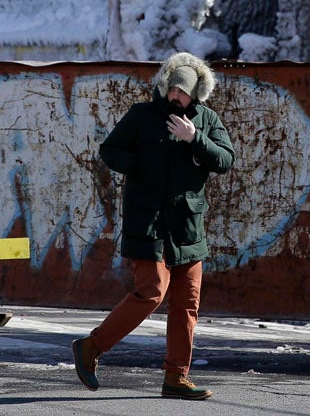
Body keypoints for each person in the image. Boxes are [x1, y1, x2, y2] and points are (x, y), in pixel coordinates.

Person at [72, 52, 235, 400]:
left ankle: (177, 377)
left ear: (196, 95)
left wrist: (196, 140)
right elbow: (110, 150)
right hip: (147, 222)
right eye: (173, 89)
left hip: (188, 226)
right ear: (164, 87)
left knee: (187, 303)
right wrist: (140, 164)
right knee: (152, 292)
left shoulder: (205, 120)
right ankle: (91, 346)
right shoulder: (142, 116)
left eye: (184, 93)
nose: (176, 97)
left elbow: (226, 160)